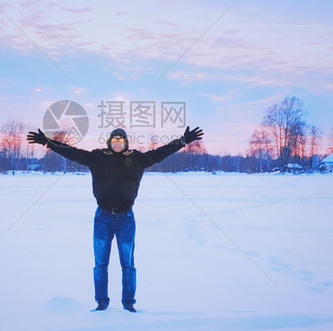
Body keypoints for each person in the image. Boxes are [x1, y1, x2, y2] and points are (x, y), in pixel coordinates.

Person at [26, 126, 204, 312]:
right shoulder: (97, 157)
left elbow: (161, 152)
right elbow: (72, 153)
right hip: (102, 217)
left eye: (120, 141)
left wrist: (182, 141)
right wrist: (48, 142)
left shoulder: (137, 159)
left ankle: (128, 304)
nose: (117, 144)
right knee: (100, 263)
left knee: (128, 264)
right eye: (114, 140)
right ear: (109, 142)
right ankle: (101, 303)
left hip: (126, 218)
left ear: (125, 142)